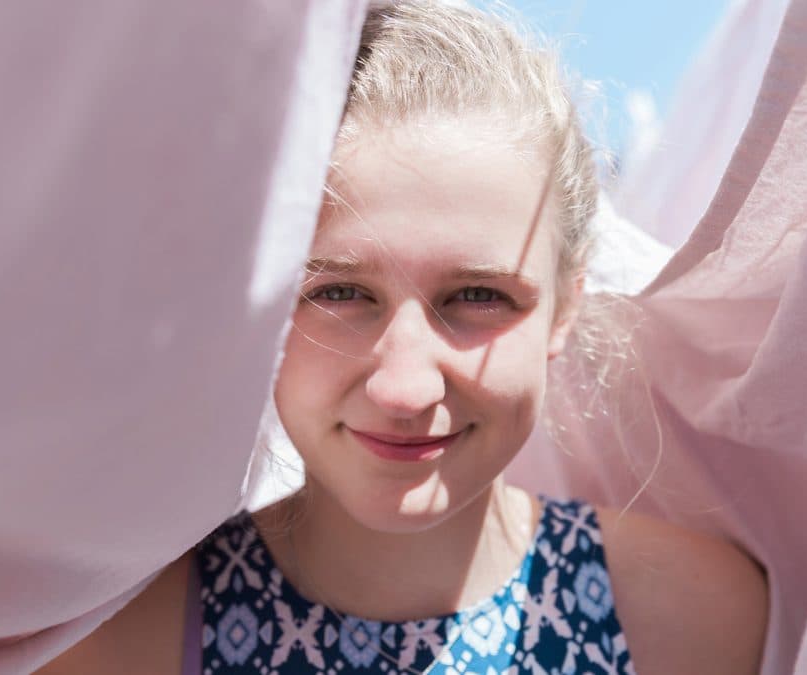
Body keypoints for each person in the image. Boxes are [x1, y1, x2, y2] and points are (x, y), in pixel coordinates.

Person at [40, 3, 767, 674]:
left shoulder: (696, 619)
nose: (404, 387)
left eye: (478, 295)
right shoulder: (118, 645)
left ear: (565, 307)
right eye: (338, 293)